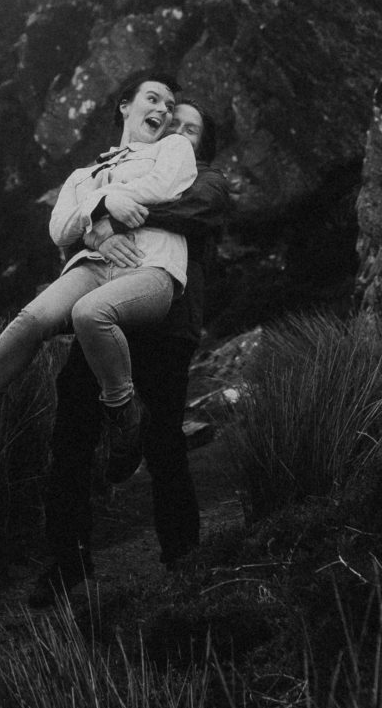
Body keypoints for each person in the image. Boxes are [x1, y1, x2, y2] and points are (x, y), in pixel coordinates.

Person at [0, 73, 196, 470]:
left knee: (90, 314)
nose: (163, 109)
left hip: (150, 268)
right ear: (125, 107)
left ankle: (126, 414)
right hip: (92, 267)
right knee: (32, 318)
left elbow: (163, 187)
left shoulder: (174, 147)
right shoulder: (81, 175)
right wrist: (106, 200)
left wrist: (95, 209)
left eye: (168, 105)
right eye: (153, 98)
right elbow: (59, 230)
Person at [31, 97, 233, 605]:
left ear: (201, 144)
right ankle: (67, 561)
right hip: (107, 316)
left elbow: (200, 210)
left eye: (192, 128)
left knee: (164, 442)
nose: (179, 132)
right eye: (175, 123)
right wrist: (100, 210)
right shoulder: (134, 172)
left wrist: (109, 215)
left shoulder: (203, 179)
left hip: (167, 324)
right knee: (71, 432)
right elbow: (69, 236)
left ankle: (182, 560)